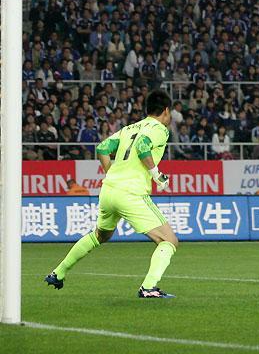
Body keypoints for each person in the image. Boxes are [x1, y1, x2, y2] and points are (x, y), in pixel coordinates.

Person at [45, 90, 179, 298]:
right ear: (166, 111)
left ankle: (58, 273)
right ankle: (149, 288)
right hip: (131, 193)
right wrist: (157, 175)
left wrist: (112, 174)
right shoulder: (159, 129)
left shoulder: (130, 128)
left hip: (109, 190)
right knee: (168, 240)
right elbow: (143, 146)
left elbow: (102, 148)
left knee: (101, 235)